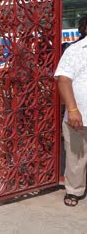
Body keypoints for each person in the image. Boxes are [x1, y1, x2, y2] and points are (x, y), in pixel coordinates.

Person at [55, 15, 87, 207]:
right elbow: (64, 80)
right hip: (79, 115)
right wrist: (73, 109)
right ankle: (74, 191)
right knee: (76, 156)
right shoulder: (75, 51)